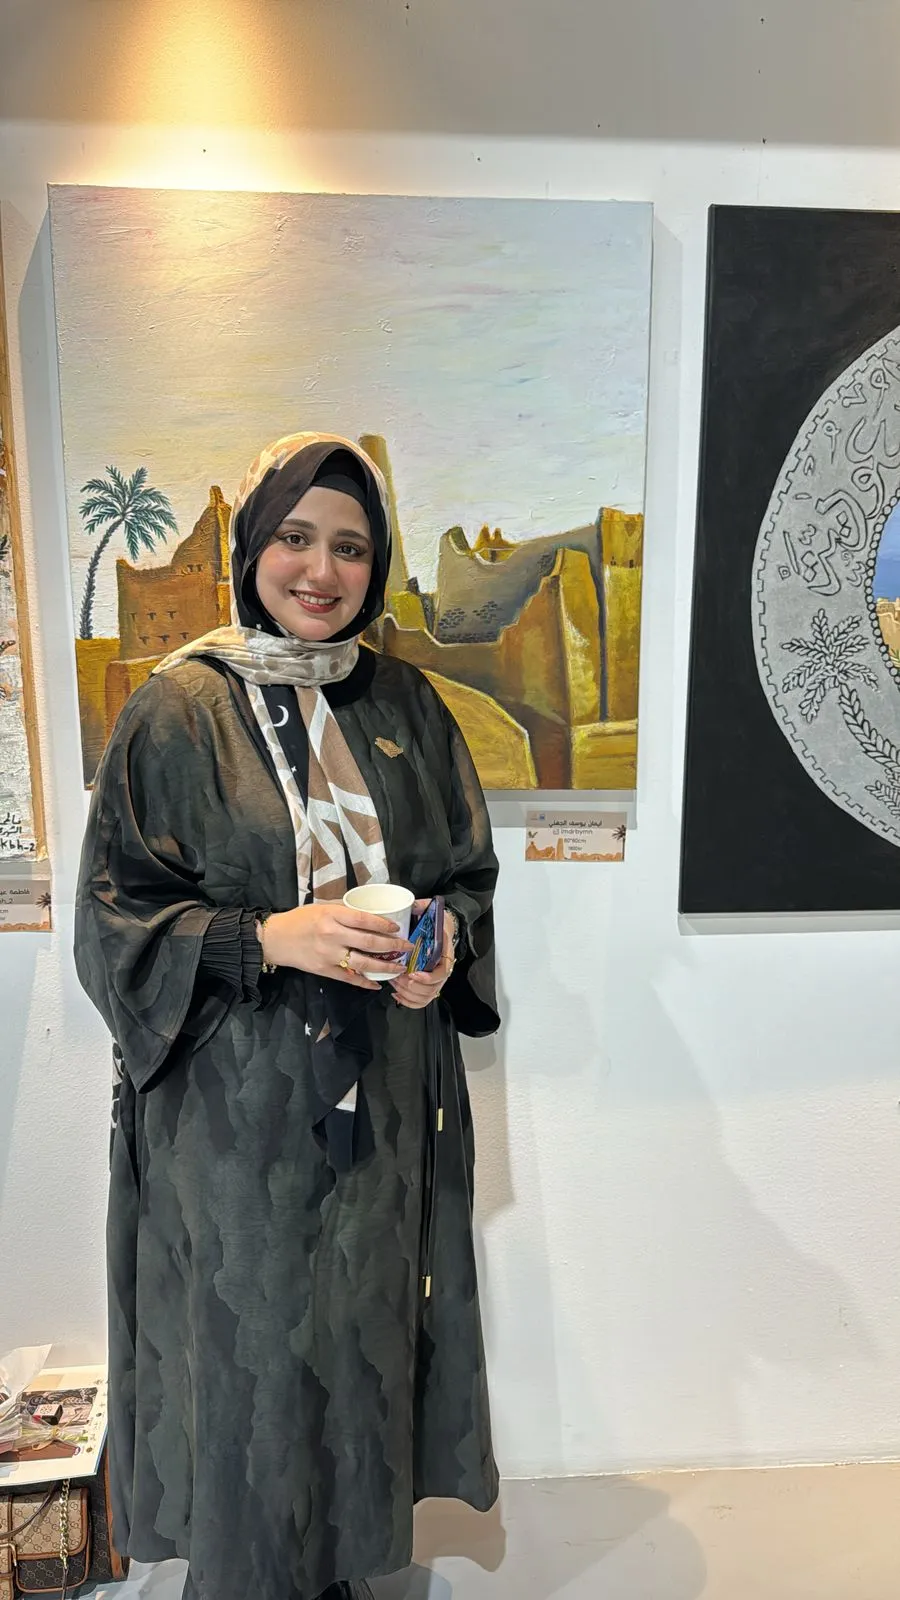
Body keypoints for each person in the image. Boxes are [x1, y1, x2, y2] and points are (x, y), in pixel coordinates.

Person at [75, 432, 501, 1600]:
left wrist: (442, 949)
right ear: (254, 545)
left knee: (357, 1337)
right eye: (297, 538)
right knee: (252, 1350)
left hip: (383, 1104)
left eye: (351, 547)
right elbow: (114, 918)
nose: (322, 570)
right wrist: (266, 936)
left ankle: (339, 1564)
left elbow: (464, 876)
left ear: (378, 563)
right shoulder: (179, 709)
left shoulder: (406, 703)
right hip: (233, 1117)